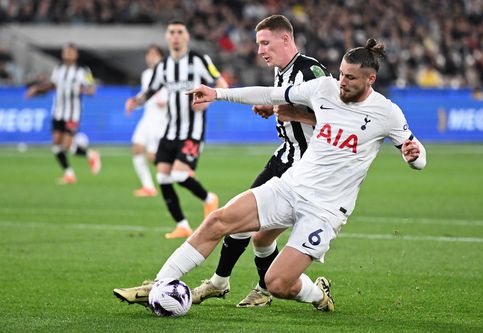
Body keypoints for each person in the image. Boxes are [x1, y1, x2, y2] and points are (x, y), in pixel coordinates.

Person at [113, 38, 427, 313]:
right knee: (217, 221)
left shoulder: (387, 113)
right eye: (342, 73)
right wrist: (218, 94)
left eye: (351, 78)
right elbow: (269, 92)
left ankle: (318, 294)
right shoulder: (324, 88)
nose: (342, 81)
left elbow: (417, 155)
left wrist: (414, 157)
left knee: (277, 283)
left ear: (371, 79)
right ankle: (161, 283)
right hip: (290, 187)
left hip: (325, 210)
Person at [191, 14, 329, 308]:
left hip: (305, 167)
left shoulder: (311, 71)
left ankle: (244, 285)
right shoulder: (282, 71)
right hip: (283, 156)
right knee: (245, 225)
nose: (260, 50)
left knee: (253, 231)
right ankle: (227, 283)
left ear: (285, 39)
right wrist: (274, 108)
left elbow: (338, 119)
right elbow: (288, 104)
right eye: (258, 44)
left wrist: (296, 114)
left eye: (265, 43)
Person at [125, 20, 228, 239]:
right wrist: (136, 101)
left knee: (180, 174)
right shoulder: (163, 66)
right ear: (167, 37)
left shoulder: (199, 60)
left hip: (192, 131)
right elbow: (151, 90)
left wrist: (209, 101)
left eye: (180, 32)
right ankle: (182, 225)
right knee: (162, 178)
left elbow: (222, 84)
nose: (175, 36)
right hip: (170, 131)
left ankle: (209, 198)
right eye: (171, 32)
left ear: (187, 36)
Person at [26, 43, 101, 184]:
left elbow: (92, 89)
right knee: (56, 144)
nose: (68, 54)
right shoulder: (58, 69)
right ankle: (69, 174)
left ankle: (91, 154)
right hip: (58, 112)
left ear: (76, 54)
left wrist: (84, 90)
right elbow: (52, 85)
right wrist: (36, 89)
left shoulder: (84, 70)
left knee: (66, 146)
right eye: (66, 52)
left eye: (71, 52)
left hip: (73, 113)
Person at [127, 45, 168, 197]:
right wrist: (134, 102)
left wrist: (167, 101)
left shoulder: (167, 73)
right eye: (149, 54)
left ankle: (178, 172)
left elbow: (176, 93)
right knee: (137, 147)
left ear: (161, 56)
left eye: (154, 54)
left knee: (152, 157)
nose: (151, 57)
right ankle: (148, 187)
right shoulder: (146, 74)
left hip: (161, 119)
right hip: (147, 117)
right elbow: (145, 93)